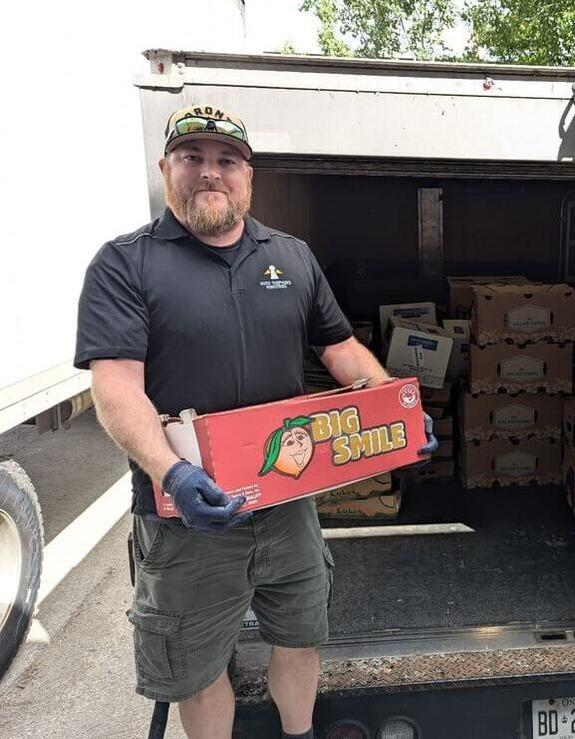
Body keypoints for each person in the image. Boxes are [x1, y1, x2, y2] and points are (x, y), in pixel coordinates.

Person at [74, 104, 438, 739]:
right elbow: (116, 387)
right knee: (197, 667)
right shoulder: (125, 264)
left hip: (285, 500)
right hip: (186, 516)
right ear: (165, 170)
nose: (210, 174)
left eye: (226, 161)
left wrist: (396, 412)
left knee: (300, 637)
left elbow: (340, 349)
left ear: (249, 177)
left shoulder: (290, 258)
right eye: (192, 159)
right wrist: (173, 472)